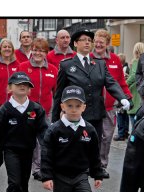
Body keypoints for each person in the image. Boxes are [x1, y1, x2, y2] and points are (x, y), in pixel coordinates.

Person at [41, 85, 105, 192]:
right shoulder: (55, 129)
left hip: (80, 175)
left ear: (84, 107)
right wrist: (46, 176)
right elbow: (46, 154)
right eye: (69, 106)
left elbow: (94, 155)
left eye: (78, 106)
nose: (74, 110)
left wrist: (97, 174)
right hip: (60, 176)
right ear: (62, 106)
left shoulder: (89, 130)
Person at [52, 29, 131, 146]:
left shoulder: (99, 64)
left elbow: (111, 82)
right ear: (75, 43)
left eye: (90, 40)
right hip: (75, 115)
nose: (87, 42)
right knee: (75, 148)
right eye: (83, 40)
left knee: (94, 148)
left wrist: (122, 97)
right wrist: (55, 119)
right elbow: (59, 93)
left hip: (96, 115)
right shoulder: (66, 65)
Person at [90, 29, 131, 177]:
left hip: (109, 106)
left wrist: (127, 96)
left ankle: (101, 165)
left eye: (102, 42)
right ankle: (89, 164)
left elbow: (120, 81)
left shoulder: (114, 60)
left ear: (107, 44)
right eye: (97, 41)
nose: (98, 45)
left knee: (106, 137)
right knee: (92, 136)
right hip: (91, 105)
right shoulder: (88, 58)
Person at [18, 38, 58, 181]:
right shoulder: (23, 66)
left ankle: (38, 168)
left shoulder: (53, 69)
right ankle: (27, 166)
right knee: (30, 141)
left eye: (41, 50)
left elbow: (56, 92)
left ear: (46, 52)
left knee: (44, 141)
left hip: (45, 112)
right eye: (35, 49)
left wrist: (57, 111)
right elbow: (16, 89)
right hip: (27, 111)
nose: (37, 53)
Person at [126, 42, 144, 130]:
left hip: (135, 92)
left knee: (134, 122)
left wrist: (125, 84)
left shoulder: (136, 61)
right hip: (143, 91)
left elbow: (134, 76)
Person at [113, 52, 131, 141]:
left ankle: (121, 133)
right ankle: (125, 132)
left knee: (120, 114)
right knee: (125, 115)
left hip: (121, 95)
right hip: (125, 95)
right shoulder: (127, 68)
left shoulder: (122, 69)